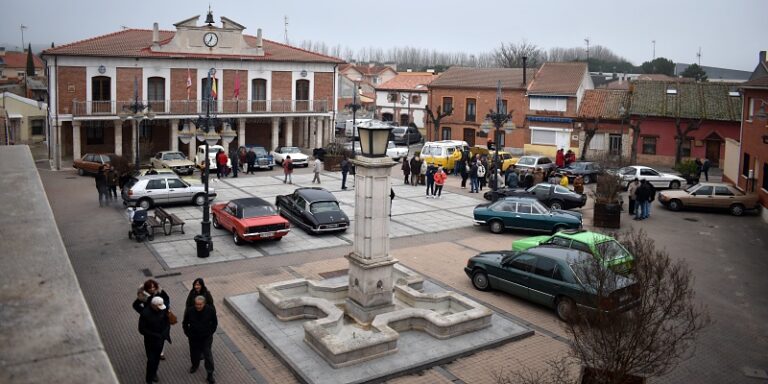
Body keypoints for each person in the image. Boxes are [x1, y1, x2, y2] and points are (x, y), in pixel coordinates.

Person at [183, 296, 218, 384]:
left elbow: (214, 323)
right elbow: (185, 323)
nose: (198, 306)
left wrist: (210, 333)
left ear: (204, 304)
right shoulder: (190, 311)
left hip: (206, 338)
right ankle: (195, 365)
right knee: (194, 353)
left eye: (200, 304)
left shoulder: (210, 310)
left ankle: (210, 374)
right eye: (196, 304)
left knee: (208, 355)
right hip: (193, 337)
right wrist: (188, 333)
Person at [139, 296, 171, 384]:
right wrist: (155, 335)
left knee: (156, 360)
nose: (160, 309)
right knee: (151, 361)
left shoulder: (163, 310)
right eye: (158, 307)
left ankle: (154, 374)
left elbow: (167, 322)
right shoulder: (145, 313)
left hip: (160, 341)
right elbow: (141, 329)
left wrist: (165, 332)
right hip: (150, 342)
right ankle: (149, 380)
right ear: (153, 305)